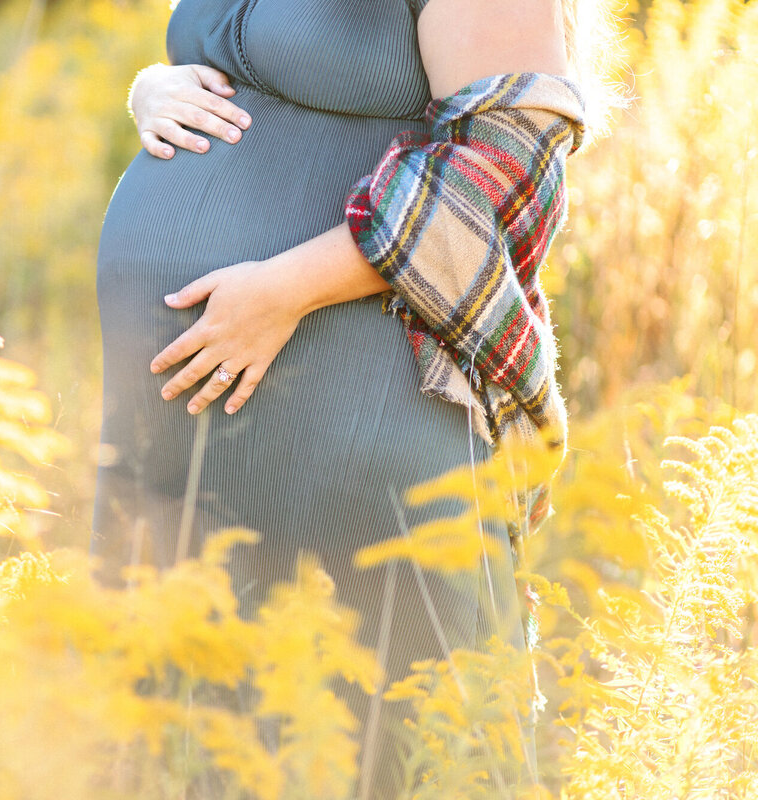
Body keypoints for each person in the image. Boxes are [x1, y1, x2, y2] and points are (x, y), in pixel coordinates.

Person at [92, 0, 609, 795]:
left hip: (356, 397)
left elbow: (506, 163)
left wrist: (283, 291)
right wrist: (155, 90)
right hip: (179, 426)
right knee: (190, 734)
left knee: (382, 734)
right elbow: (244, 66)